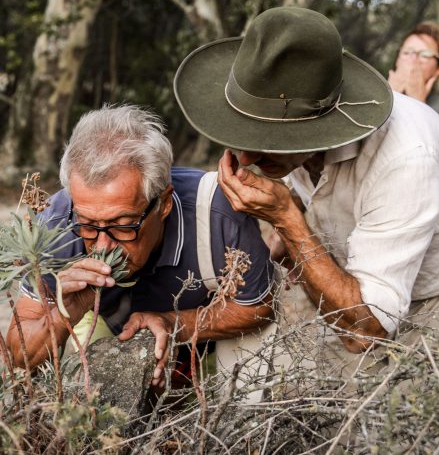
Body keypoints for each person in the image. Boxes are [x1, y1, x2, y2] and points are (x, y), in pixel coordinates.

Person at [173, 7, 439, 375]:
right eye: (242, 132)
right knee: (331, 408)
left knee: (406, 423)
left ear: (322, 127)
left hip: (433, 299)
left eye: (271, 140)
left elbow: (365, 333)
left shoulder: (406, 158)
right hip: (352, 282)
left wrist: (286, 219)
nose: (246, 156)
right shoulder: (296, 147)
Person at [7, 104, 274, 387]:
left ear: (164, 203)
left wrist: (173, 324)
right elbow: (19, 356)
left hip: (208, 342)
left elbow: (258, 307)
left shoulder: (218, 212)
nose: (103, 246)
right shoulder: (58, 224)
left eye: (123, 225)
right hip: (110, 329)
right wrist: (65, 313)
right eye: (87, 225)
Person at [388, 21, 439, 124]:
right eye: (406, 52)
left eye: (425, 55)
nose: (413, 60)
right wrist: (389, 98)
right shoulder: (370, 97)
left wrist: (418, 104)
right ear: (397, 61)